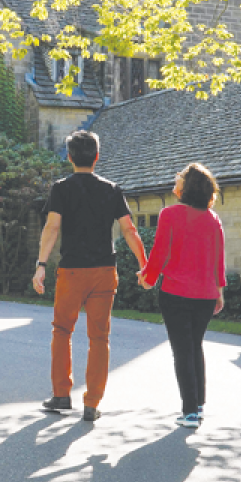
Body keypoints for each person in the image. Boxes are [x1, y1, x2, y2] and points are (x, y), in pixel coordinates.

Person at [33, 130, 147, 423]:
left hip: (72, 271)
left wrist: (41, 264)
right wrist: (144, 264)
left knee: (62, 331)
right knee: (99, 337)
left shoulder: (61, 188)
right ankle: (92, 403)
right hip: (103, 272)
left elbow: (52, 228)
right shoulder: (112, 189)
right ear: (97, 156)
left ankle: (60, 395)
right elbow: (129, 231)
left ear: (70, 158)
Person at [138, 163, 226, 428]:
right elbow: (218, 260)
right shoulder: (213, 219)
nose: (175, 179)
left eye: (179, 177)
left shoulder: (170, 214)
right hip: (206, 295)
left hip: (176, 293)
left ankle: (189, 412)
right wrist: (219, 292)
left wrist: (148, 279)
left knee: (183, 351)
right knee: (194, 346)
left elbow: (160, 252)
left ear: (186, 187)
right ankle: (198, 404)